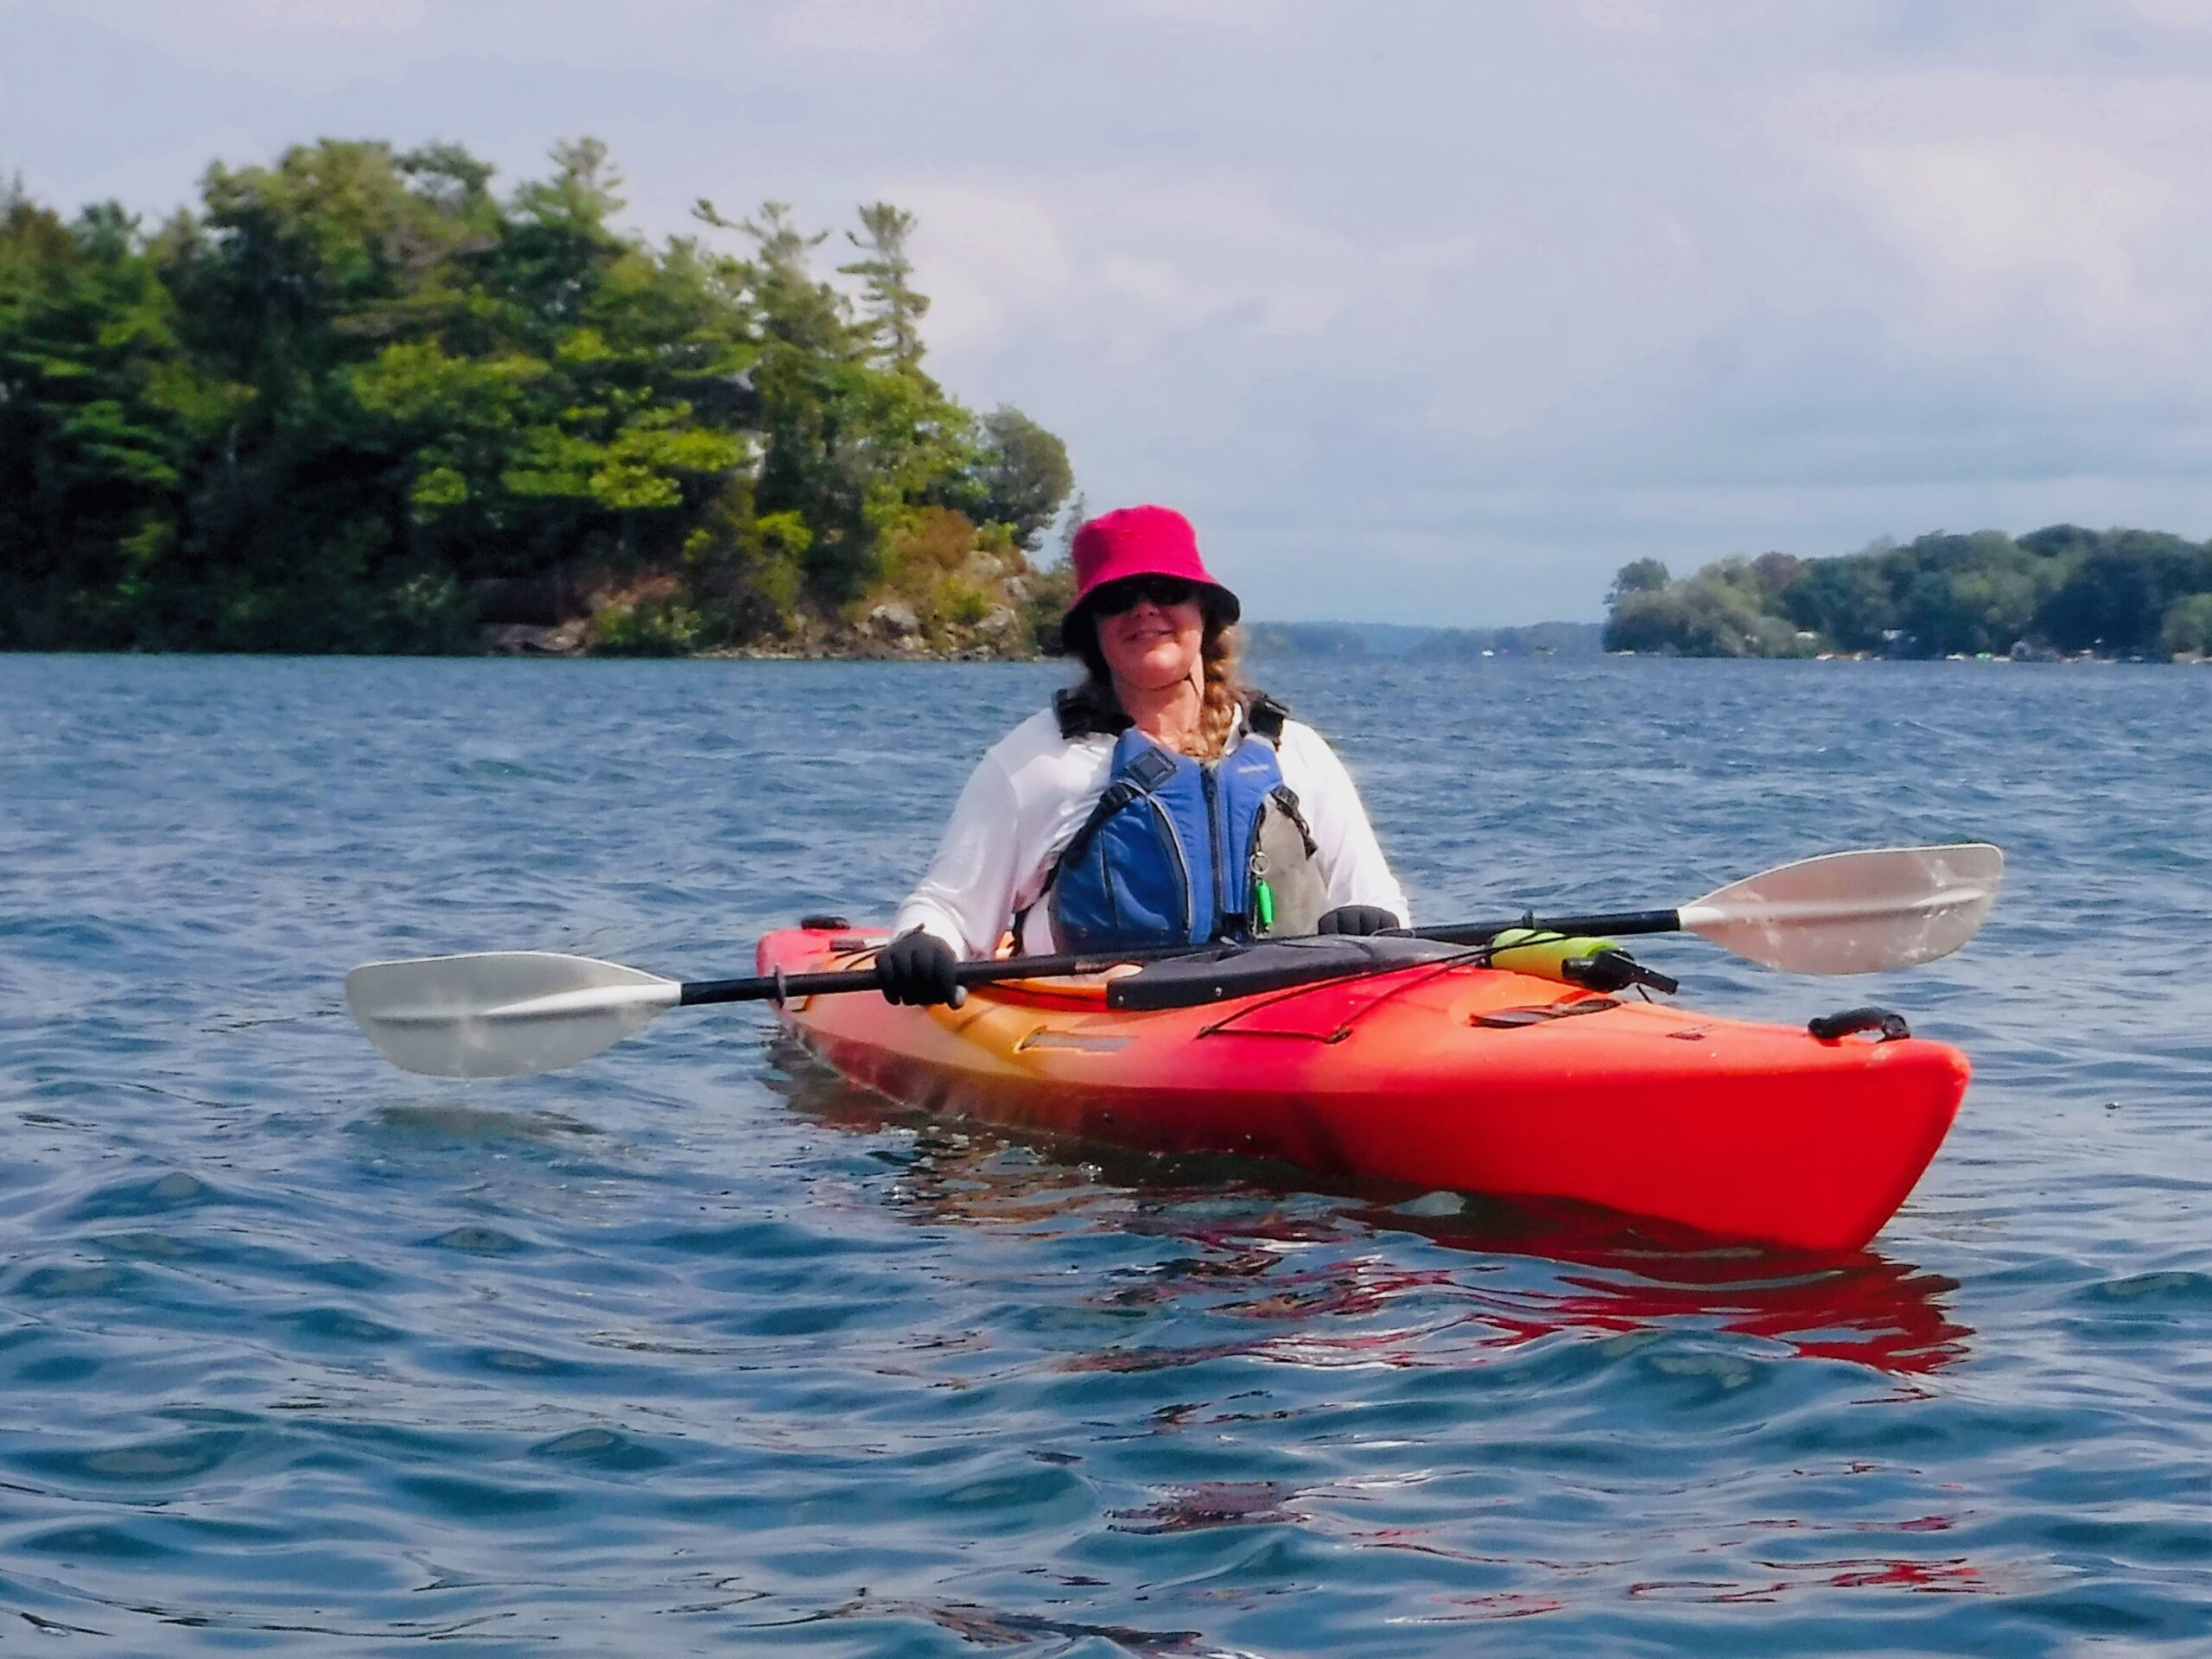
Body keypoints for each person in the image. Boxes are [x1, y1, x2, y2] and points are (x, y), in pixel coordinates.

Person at [877, 504, 1409, 1005]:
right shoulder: (1036, 764)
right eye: (1118, 598)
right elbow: (949, 906)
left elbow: (1377, 904)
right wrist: (924, 942)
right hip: (1101, 1015)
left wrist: (1370, 922)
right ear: (1092, 628)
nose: (1145, 609)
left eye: (1167, 590)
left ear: (1204, 612)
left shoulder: (1294, 751)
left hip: (1280, 1007)